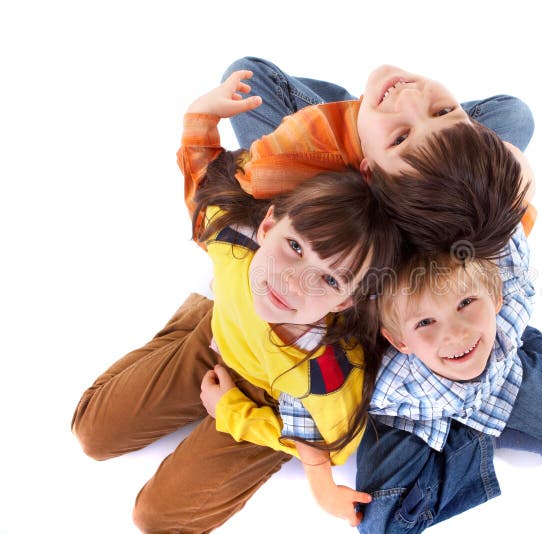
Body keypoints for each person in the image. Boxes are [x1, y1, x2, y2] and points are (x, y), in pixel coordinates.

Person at [71, 70, 401, 532]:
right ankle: (196, 319)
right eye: (295, 248)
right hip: (218, 335)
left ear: (347, 301)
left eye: (328, 280)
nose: (292, 284)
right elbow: (207, 185)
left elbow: (322, 444)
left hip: (268, 399)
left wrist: (232, 411)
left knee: (157, 519)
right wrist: (199, 120)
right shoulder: (234, 244)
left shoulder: (323, 370)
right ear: (267, 228)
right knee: (90, 433)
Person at [355, 229, 542, 533]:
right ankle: (480, 438)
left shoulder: (510, 305)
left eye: (466, 303)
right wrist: (320, 476)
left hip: (498, 376)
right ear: (400, 341)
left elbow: (510, 215)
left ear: (495, 296)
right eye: (425, 322)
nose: (455, 334)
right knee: (382, 527)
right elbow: (315, 395)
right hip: (416, 415)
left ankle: (513, 376)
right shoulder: (388, 379)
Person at [222, 57, 537, 259]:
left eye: (401, 138)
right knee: (516, 114)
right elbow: (497, 231)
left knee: (245, 76)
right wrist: (511, 181)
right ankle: (404, 137)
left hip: (334, 146)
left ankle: (371, 128)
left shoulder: (303, 155)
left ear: (367, 171)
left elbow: (238, 191)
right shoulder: (460, 222)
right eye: (443, 112)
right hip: (392, 158)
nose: (411, 96)